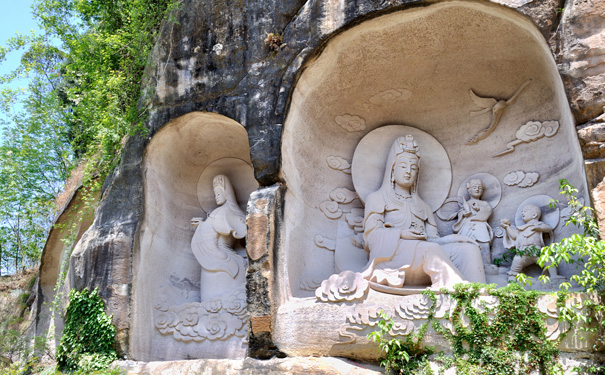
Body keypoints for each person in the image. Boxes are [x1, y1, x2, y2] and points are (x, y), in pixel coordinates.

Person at [360, 135, 472, 289]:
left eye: (413, 168)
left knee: (467, 249)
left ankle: (480, 296)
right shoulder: (377, 198)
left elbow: (433, 239)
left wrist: (456, 239)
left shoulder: (423, 206)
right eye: (403, 166)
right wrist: (401, 234)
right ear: (392, 170)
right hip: (394, 257)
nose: (408, 172)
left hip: (424, 254)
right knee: (430, 250)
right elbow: (371, 238)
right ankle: (455, 290)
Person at [191, 174, 247, 300]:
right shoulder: (218, 213)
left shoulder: (222, 212)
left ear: (226, 193)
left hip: (225, 258)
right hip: (219, 259)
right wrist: (201, 225)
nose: (216, 197)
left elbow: (235, 232)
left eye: (218, 193)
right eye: (215, 194)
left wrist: (203, 225)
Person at [500, 203, 559, 281]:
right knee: (516, 262)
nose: (522, 213)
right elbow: (514, 236)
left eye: (525, 211)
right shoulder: (521, 228)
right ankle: (512, 278)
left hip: (536, 250)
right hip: (523, 252)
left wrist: (539, 228)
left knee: (548, 261)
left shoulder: (538, 224)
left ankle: (554, 275)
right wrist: (507, 227)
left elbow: (548, 228)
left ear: (534, 215)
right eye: (522, 212)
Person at [453, 178, 494, 265]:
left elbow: (488, 211)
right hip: (467, 227)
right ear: (469, 190)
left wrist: (479, 208)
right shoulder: (466, 203)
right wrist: (464, 214)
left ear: (482, 190)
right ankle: (465, 264)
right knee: (466, 246)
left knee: (484, 245)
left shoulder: (484, 203)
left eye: (479, 187)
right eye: (474, 187)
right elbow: (460, 213)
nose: (477, 189)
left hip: (480, 226)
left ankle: (486, 264)